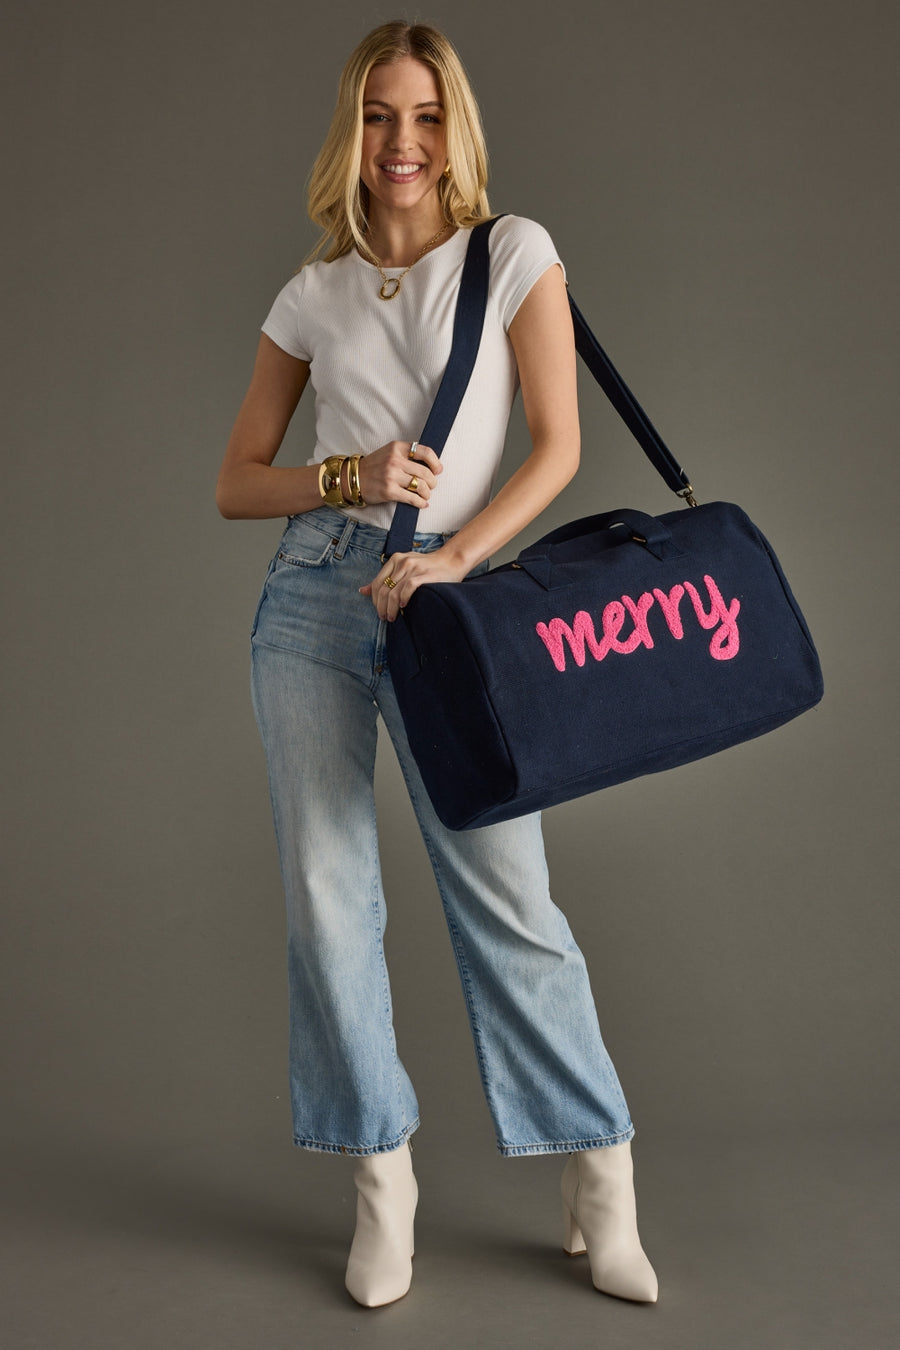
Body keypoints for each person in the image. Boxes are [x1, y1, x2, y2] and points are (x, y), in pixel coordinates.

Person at [216, 20, 658, 1309]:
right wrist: (345, 475)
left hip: (449, 602)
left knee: (504, 889)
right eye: (375, 118)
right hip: (314, 593)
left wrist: (460, 560)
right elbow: (237, 482)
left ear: (452, 130)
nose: (399, 145)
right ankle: (381, 1176)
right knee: (324, 886)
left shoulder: (514, 254)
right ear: (349, 135)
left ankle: (599, 1169)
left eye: (421, 118)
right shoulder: (312, 293)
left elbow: (561, 445)